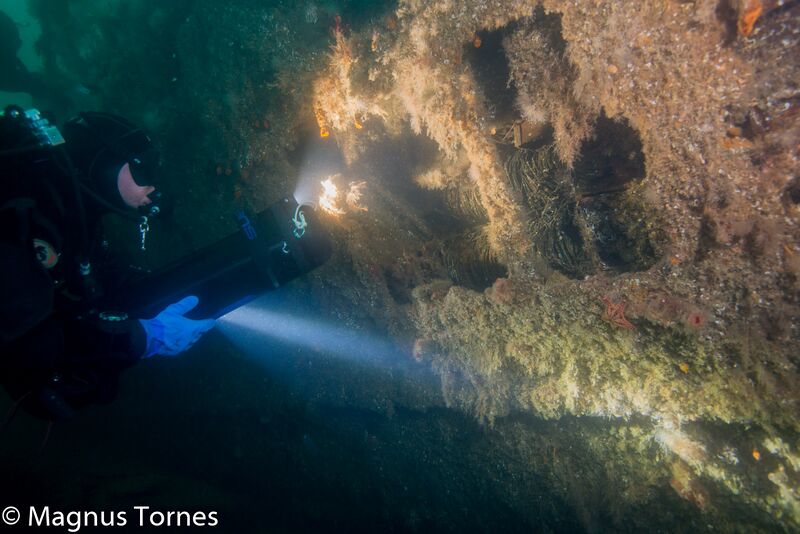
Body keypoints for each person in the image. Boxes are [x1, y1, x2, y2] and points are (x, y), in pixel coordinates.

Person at [0, 107, 215, 421]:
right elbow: (30, 351)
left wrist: (166, 291)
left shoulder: (74, 215)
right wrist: (144, 338)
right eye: (142, 169)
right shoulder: (21, 216)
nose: (153, 185)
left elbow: (101, 277)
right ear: (105, 165)